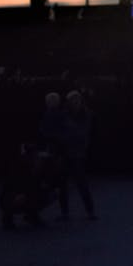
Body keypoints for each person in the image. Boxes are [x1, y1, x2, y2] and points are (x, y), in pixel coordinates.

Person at [41, 89, 96, 221]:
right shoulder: (63, 115)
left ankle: (90, 211)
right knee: (62, 184)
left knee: (81, 183)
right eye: (72, 100)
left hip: (77, 154)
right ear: (69, 102)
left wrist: (67, 133)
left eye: (77, 99)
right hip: (64, 154)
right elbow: (54, 131)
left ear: (81, 101)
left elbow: (81, 133)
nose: (75, 102)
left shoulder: (85, 114)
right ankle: (65, 212)